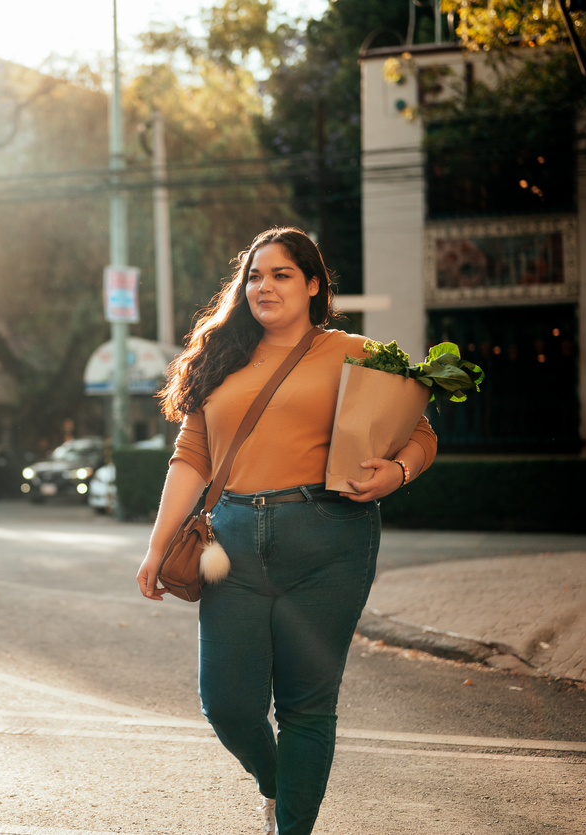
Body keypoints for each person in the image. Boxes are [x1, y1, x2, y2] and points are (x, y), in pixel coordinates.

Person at [137, 227, 436, 834]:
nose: (263, 286)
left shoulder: (355, 351)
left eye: (280, 275)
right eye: (254, 275)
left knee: (306, 705)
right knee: (227, 704)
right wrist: (157, 546)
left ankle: (292, 826)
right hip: (232, 544)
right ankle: (277, 784)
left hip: (330, 537)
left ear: (313, 285)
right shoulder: (220, 357)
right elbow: (190, 454)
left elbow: (419, 431)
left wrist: (397, 471)